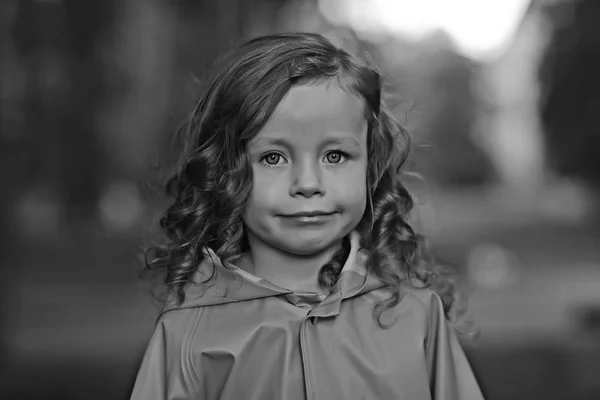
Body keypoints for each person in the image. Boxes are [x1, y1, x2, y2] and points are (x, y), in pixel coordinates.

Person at [130, 32, 485, 400]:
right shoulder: (189, 330)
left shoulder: (414, 312)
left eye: (334, 156)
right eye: (273, 157)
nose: (307, 184)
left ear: (371, 166)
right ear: (224, 172)